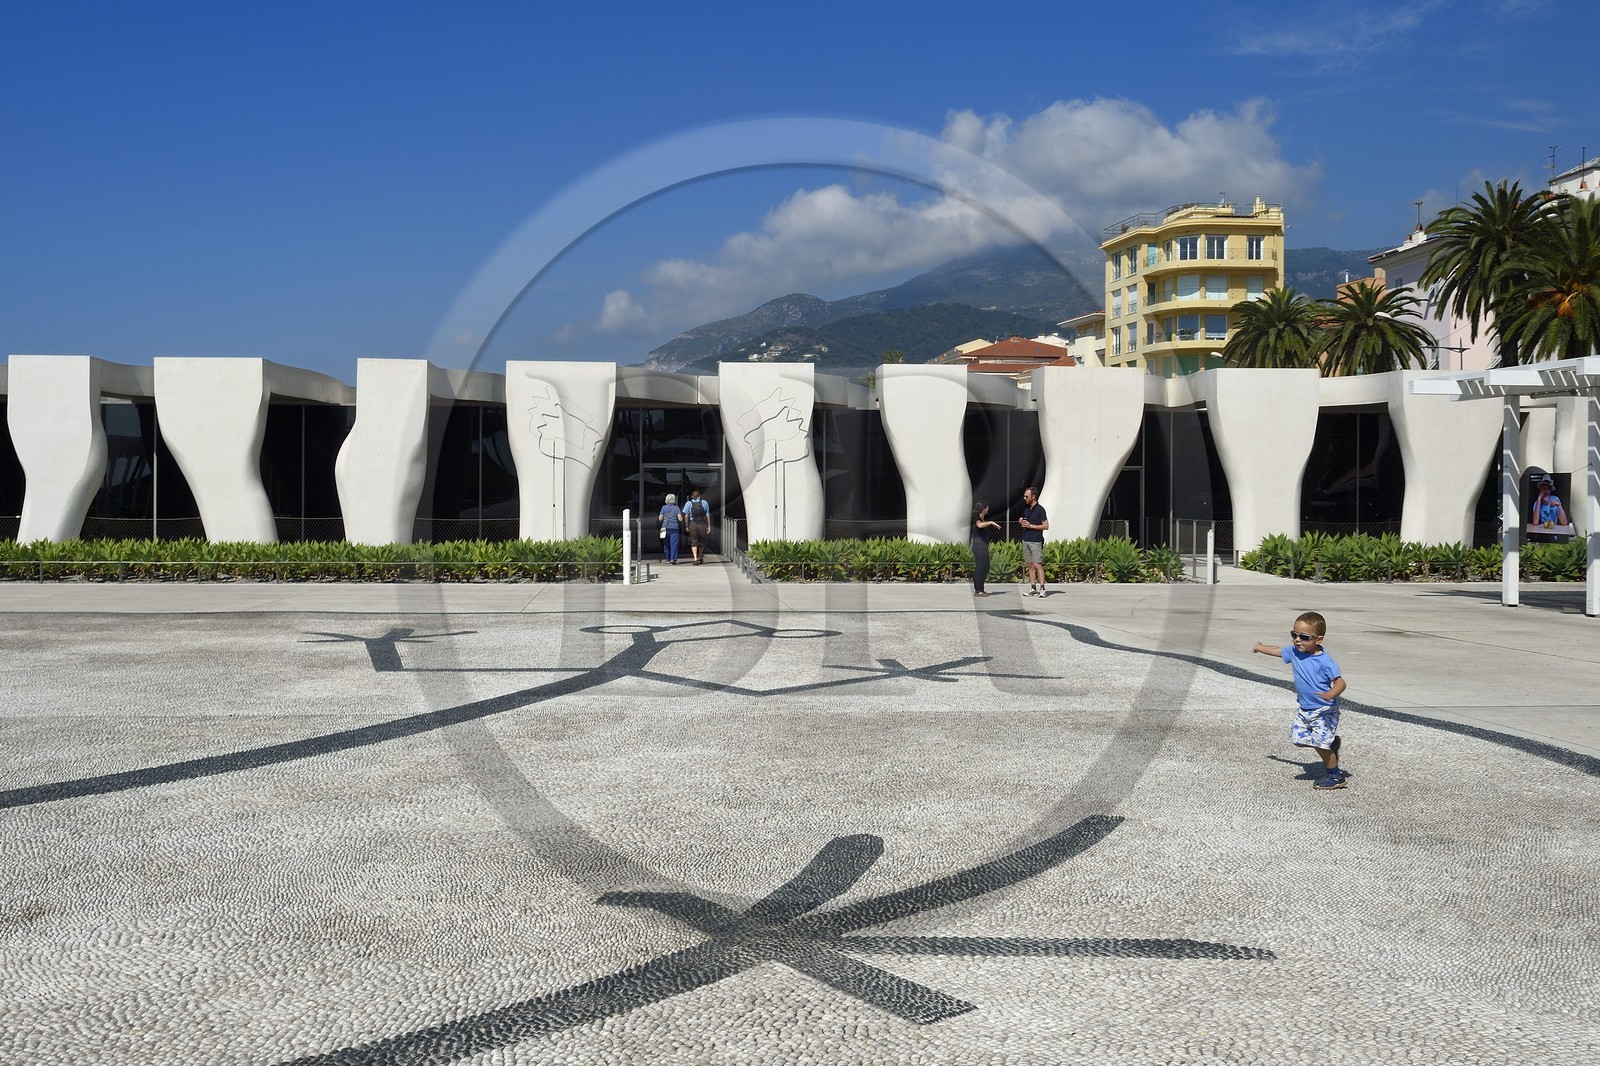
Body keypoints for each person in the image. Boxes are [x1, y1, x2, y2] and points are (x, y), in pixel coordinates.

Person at [1252, 611, 1349, 790]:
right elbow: (1275, 650)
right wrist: (1260, 647)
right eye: (1294, 634)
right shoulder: (1295, 652)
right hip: (1305, 709)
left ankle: (1336, 776)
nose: (1297, 640)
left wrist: (1331, 694)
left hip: (1324, 710)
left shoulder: (1325, 661)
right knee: (1298, 740)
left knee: (1320, 745)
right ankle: (1330, 744)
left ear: (1319, 639)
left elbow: (1340, 682)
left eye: (1304, 637)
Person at [1017, 486, 1049, 597]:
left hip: (1036, 541)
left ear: (1033, 497)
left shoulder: (1040, 510)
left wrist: (1031, 526)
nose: (1024, 498)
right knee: (1030, 565)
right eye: (1024, 496)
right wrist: (1022, 521)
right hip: (1026, 539)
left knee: (1037, 564)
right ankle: (1033, 588)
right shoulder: (1027, 509)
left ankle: (1043, 589)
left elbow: (1046, 526)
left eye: (1027, 496)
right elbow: (1026, 523)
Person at [970, 501, 1002, 596]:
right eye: (987, 507)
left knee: (986, 567)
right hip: (978, 546)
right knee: (980, 567)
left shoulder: (982, 519)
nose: (988, 509)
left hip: (983, 546)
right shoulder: (977, 519)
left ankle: (981, 588)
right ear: (983, 509)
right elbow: (979, 525)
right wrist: (991, 522)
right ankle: (978, 590)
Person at [1529, 475, 1568, 541]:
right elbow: (1535, 523)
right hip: (1541, 535)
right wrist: (1539, 499)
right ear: (1540, 490)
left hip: (1553, 536)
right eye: (1544, 489)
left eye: (1548, 489)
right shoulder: (1537, 503)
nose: (1546, 491)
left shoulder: (1555, 499)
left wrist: (1559, 505)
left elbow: (1564, 523)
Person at [682, 489, 713, 565]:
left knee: (694, 540)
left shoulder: (688, 503)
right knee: (702, 541)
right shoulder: (704, 502)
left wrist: (687, 525)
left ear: (692, 496)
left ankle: (695, 558)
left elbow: (686, 516)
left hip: (693, 523)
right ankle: (700, 557)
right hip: (702, 523)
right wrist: (709, 526)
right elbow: (708, 515)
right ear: (700, 496)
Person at [657, 493, 682, 565]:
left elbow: (660, 518)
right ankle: (673, 559)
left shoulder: (664, 508)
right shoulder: (676, 508)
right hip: (674, 527)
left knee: (666, 544)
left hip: (665, 528)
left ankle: (667, 558)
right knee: (674, 544)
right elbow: (680, 519)